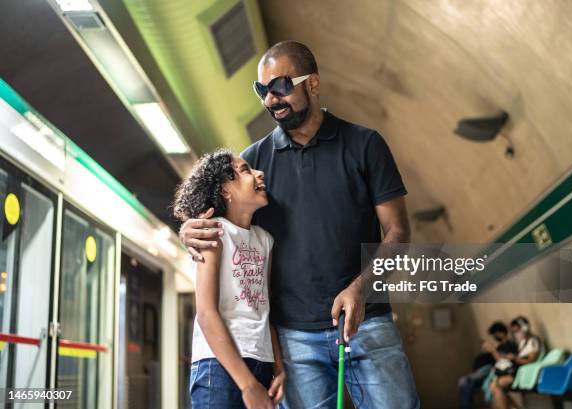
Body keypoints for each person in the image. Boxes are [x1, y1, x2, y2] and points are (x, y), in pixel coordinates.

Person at [179, 41, 420, 408]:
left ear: (313, 84)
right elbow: (223, 224)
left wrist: (360, 289)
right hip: (293, 341)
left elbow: (398, 234)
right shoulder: (255, 162)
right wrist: (187, 231)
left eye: (281, 86)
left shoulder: (365, 145)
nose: (271, 99)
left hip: (368, 324)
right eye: (262, 90)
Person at [173, 149, 285, 409]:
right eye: (246, 170)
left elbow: (264, 309)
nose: (259, 174)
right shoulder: (213, 232)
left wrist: (278, 366)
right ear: (225, 190)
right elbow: (206, 313)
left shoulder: (265, 240)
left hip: (261, 361)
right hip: (218, 365)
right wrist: (247, 385)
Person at [459, 321, 517, 409]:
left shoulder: (510, 346)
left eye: (496, 334)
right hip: (491, 369)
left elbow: (503, 362)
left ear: (501, 333)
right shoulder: (499, 347)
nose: (495, 337)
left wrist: (492, 350)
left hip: (497, 370)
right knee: (464, 382)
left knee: (466, 381)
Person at [489, 316, 542, 409]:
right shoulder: (523, 342)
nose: (517, 334)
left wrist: (515, 358)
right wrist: (509, 358)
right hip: (516, 370)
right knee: (495, 386)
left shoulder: (534, 341)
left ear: (525, 327)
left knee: (495, 386)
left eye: (518, 330)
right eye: (514, 332)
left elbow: (531, 360)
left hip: (519, 373)